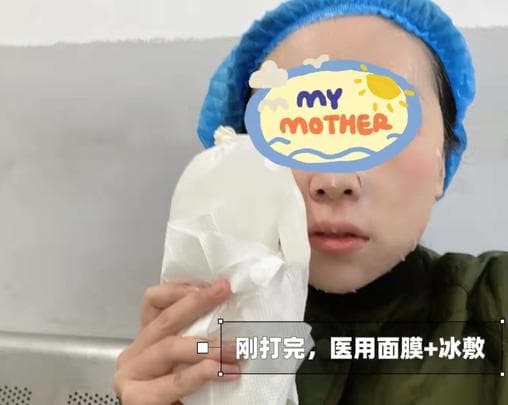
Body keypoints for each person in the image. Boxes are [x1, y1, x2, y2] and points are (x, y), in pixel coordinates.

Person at [113, 0, 507, 403]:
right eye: (293, 130)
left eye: (381, 124)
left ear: (444, 158)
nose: (334, 182)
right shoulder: (212, 333)